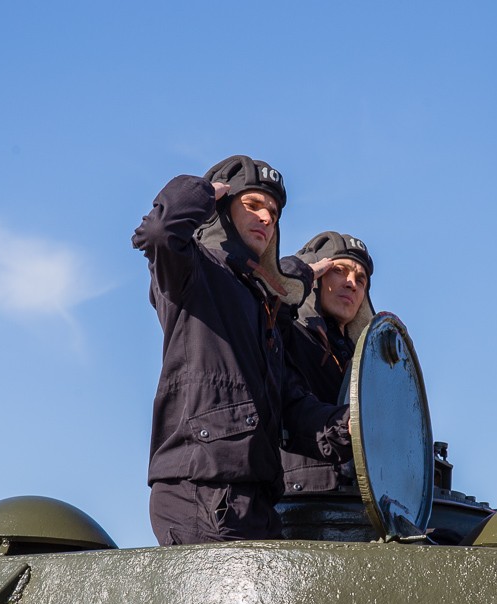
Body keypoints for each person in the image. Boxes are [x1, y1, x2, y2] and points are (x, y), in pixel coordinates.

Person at [132, 156, 352, 545]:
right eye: (252, 204)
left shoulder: (262, 308)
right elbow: (161, 233)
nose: (266, 218)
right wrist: (204, 191)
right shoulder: (195, 274)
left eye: (274, 212)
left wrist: (355, 425)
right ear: (221, 209)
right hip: (202, 488)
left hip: (257, 500)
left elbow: (292, 409)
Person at [279, 231, 375, 493]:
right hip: (301, 496)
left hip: (354, 500)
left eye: (361, 280)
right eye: (339, 271)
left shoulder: (364, 367)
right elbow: (268, 295)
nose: (351, 283)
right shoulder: (286, 333)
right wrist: (299, 272)